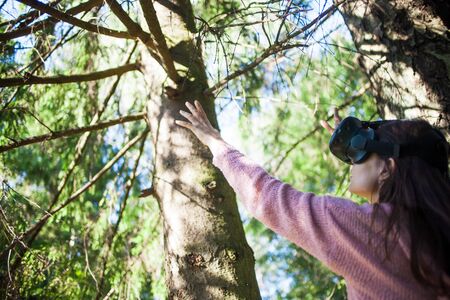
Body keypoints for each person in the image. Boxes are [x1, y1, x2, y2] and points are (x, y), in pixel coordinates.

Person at [174, 100, 450, 299]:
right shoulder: (434, 233)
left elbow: (267, 197)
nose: (351, 163)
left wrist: (215, 143)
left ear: (387, 168)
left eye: (359, 153)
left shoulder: (376, 231)